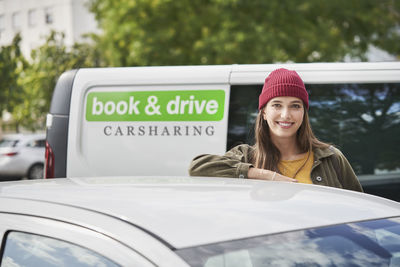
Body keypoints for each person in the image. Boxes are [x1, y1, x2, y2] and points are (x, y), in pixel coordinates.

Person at [189, 68, 363, 192]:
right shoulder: (246, 156)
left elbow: (361, 212)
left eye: (295, 106)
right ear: (264, 112)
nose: (286, 114)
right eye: (277, 105)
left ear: (304, 112)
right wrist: (263, 175)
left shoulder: (331, 158)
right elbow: (197, 167)